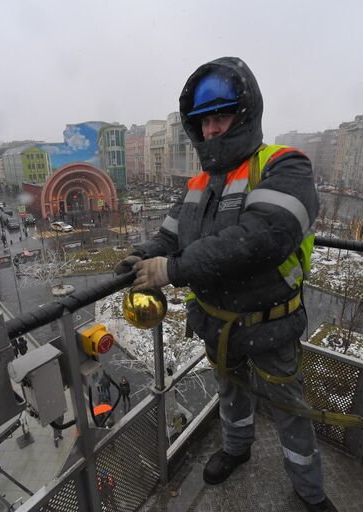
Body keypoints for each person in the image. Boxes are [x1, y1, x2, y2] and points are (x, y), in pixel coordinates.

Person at [115, 57, 333, 511]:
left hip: (270, 324)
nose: (212, 130)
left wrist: (170, 271)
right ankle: (236, 449)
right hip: (217, 322)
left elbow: (260, 239)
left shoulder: (284, 166)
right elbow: (169, 235)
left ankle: (310, 493)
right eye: (204, 121)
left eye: (221, 116)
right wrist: (141, 254)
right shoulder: (199, 183)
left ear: (246, 115)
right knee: (230, 392)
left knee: (290, 409)